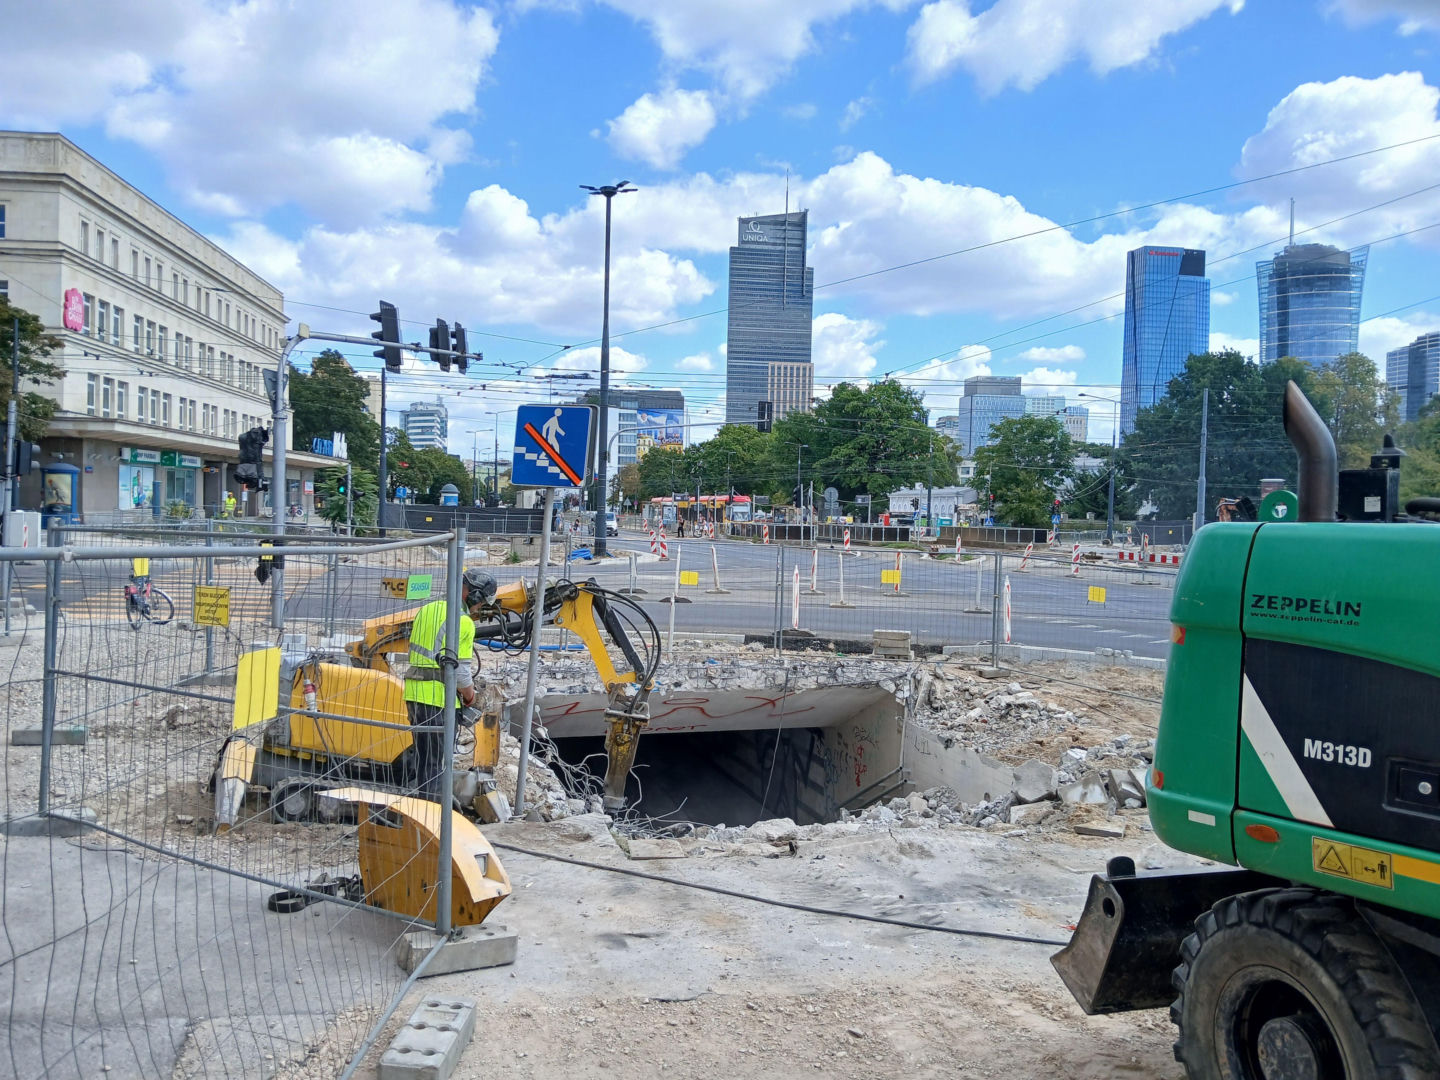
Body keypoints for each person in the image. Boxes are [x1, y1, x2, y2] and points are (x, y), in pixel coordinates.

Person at [401, 568, 498, 801]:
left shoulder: (427, 609)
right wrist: (470, 697)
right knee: (435, 764)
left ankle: (422, 805)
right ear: (473, 596)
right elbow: (462, 673)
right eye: (481, 602)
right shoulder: (464, 623)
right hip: (438, 699)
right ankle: (433, 816)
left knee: (424, 759)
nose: (479, 607)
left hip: (414, 694)